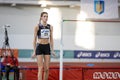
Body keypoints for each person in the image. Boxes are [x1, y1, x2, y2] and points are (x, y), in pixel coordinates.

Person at [32, 12, 55, 80]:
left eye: (47, 16)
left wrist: (52, 50)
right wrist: (34, 51)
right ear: (41, 17)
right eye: (44, 16)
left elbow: (51, 39)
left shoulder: (50, 27)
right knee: (40, 67)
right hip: (39, 47)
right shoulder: (37, 26)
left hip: (47, 47)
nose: (46, 18)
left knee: (47, 68)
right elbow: (34, 39)